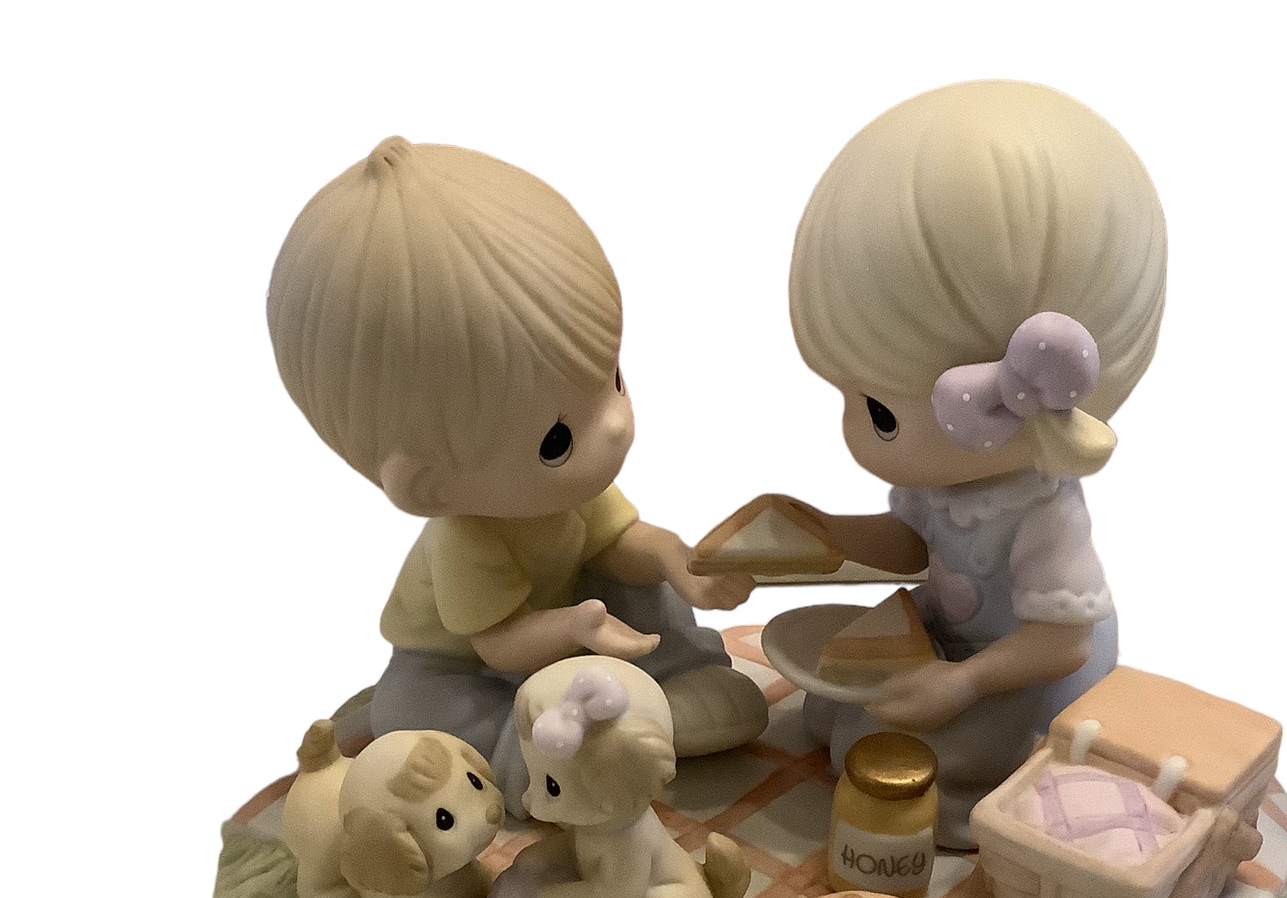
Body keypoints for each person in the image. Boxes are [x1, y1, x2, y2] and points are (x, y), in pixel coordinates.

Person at [267, 135, 765, 808]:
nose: (615, 424)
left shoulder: (563, 491)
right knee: (411, 709)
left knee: (635, 581)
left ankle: (683, 677)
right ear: (430, 486)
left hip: (569, 622)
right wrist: (575, 629)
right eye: (557, 438)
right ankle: (529, 751)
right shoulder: (467, 537)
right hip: (464, 661)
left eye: (612, 378)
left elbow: (618, 541)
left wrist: (676, 559)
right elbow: (498, 642)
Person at [779, 79, 1168, 847]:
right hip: (946, 638)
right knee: (828, 708)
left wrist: (960, 682)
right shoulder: (941, 482)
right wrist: (820, 534)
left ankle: (984, 815)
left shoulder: (1042, 512)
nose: (855, 432)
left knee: (878, 749)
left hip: (1025, 674)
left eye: (879, 411)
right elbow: (911, 545)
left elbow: (1061, 640)